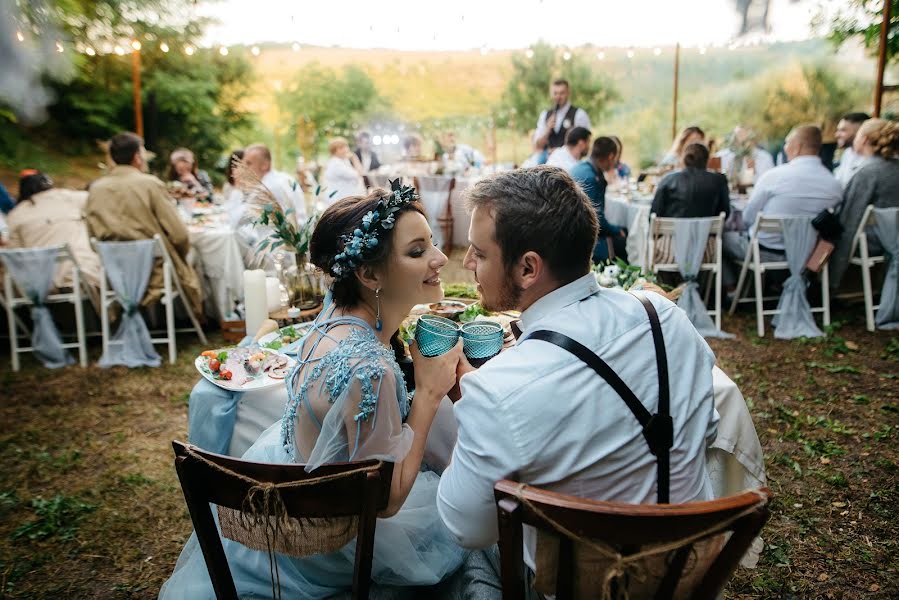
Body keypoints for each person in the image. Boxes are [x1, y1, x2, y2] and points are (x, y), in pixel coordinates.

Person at [159, 183, 468, 599]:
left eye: (431, 243)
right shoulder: (370, 370)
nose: (440, 258)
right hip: (333, 539)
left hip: (300, 481)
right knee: (465, 528)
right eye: (417, 251)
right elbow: (386, 503)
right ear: (370, 274)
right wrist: (430, 393)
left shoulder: (330, 318)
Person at [436, 166, 719, 593]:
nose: (467, 262)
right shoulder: (664, 316)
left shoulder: (498, 388)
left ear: (528, 268)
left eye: (480, 252)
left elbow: (465, 527)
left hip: (580, 585)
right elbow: (705, 430)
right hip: (688, 572)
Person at [84, 131, 204, 319]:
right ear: (137, 157)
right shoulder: (150, 184)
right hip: (154, 271)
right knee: (198, 254)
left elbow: (91, 236)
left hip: (116, 272)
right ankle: (196, 317)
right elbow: (180, 235)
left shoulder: (96, 188)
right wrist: (179, 255)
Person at [722, 125, 842, 286]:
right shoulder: (834, 185)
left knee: (720, 238)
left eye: (787, 143)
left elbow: (747, 218)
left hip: (764, 253)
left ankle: (733, 290)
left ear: (797, 147)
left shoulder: (774, 176)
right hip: (808, 254)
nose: (785, 148)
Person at [6, 169, 101, 304]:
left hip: (36, 289)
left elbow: (12, 256)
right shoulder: (69, 197)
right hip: (80, 278)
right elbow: (101, 202)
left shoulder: (15, 216)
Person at [830, 118, 899, 288]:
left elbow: (849, 219)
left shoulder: (868, 173)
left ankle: (823, 288)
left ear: (865, 139)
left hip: (875, 243)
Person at [570, 137, 627, 264]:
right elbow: (595, 218)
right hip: (580, 237)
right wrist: (616, 230)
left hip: (572, 230)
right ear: (611, 156)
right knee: (624, 241)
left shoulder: (580, 167)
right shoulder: (591, 178)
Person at [651, 143, 730, 219]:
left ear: (684, 159)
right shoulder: (719, 180)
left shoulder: (668, 179)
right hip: (707, 231)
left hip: (673, 232)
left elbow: (655, 212)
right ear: (707, 160)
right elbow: (725, 212)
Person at [243, 143, 307, 220]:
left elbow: (246, 218)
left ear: (265, 165)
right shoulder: (285, 178)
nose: (244, 168)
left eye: (248, 163)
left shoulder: (266, 188)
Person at [533, 79, 591, 153]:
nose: (558, 96)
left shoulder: (579, 114)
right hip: (547, 162)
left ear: (568, 93)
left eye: (562, 93)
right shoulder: (544, 115)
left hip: (569, 161)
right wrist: (547, 130)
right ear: (551, 94)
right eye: (555, 93)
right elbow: (538, 146)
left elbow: (585, 145)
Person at [322, 137, 366, 208]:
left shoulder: (342, 161)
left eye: (346, 147)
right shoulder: (336, 164)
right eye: (343, 147)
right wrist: (354, 158)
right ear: (337, 150)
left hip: (344, 199)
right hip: (340, 201)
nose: (347, 149)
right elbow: (359, 173)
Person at [833, 112, 871, 187]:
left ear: (860, 132)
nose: (836, 135)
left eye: (843, 130)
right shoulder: (848, 153)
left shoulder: (872, 159)